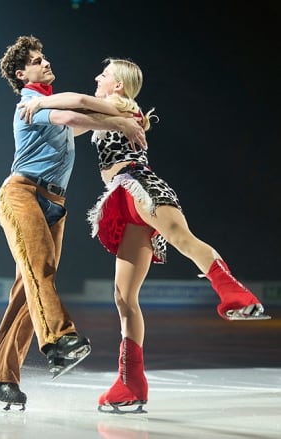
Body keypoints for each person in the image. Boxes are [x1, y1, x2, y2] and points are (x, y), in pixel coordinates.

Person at [18, 58, 270, 412]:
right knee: (124, 297)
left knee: (183, 238)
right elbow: (72, 122)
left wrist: (42, 102)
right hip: (122, 198)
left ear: (118, 85)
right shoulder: (111, 114)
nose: (97, 78)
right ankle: (130, 383)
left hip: (139, 185)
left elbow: (77, 103)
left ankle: (237, 296)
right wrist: (40, 117)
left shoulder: (121, 106)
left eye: (103, 75)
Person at [0, 35, 147, 411]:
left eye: (45, 57)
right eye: (38, 61)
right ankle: (60, 340)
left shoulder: (46, 107)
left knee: (28, 292)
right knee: (41, 270)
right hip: (21, 195)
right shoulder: (30, 104)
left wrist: (124, 117)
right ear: (23, 74)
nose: (46, 62)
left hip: (53, 204)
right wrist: (121, 122)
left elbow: (83, 123)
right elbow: (74, 113)